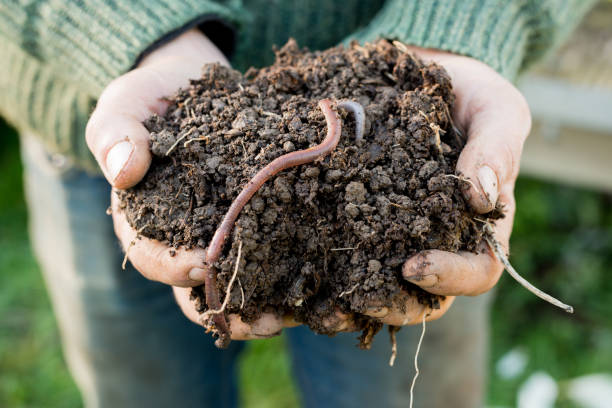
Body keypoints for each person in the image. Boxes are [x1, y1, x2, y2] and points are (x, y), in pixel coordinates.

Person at [0, 1, 596, 407]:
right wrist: (137, 34)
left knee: (402, 313)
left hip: (414, 176)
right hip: (137, 141)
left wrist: (461, 27)